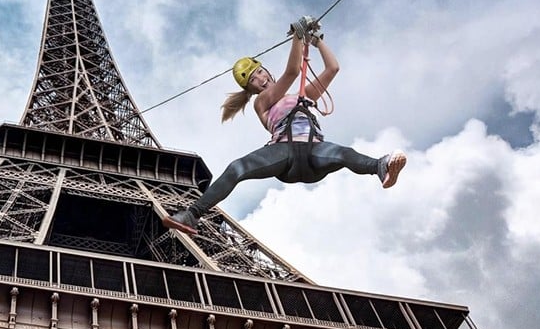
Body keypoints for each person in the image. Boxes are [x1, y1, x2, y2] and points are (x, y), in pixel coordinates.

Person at [163, 17, 406, 235]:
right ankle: (192, 215)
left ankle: (380, 167)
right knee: (237, 168)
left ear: (265, 69)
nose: (260, 79)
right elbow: (291, 72)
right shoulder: (262, 102)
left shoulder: (302, 95)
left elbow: (333, 68)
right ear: (249, 89)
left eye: (259, 72)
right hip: (283, 152)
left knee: (344, 154)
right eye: (253, 80)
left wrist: (317, 40)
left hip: (313, 151)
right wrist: (298, 37)